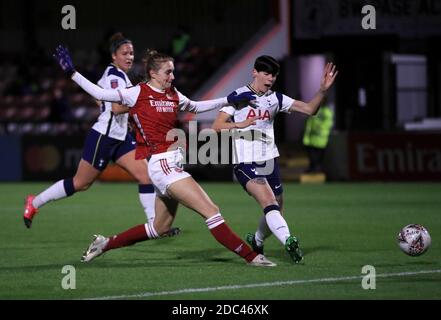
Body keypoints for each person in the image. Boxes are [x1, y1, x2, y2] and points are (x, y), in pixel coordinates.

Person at [53, 45, 276, 267]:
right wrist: (72, 73)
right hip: (163, 166)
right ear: (153, 73)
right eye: (168, 72)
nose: (173, 76)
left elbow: (196, 107)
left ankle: (104, 244)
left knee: (159, 228)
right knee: (212, 211)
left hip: (168, 167)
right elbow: (100, 94)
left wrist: (229, 99)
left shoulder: (173, 93)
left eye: (173, 71)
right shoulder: (136, 92)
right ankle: (252, 256)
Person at [23, 33, 178, 237]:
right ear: (114, 56)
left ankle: (154, 226)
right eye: (124, 53)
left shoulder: (117, 75)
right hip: (104, 137)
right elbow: (115, 107)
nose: (130, 57)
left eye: (131, 53)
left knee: (146, 175)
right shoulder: (115, 75)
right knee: (81, 184)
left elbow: (100, 97)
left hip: (121, 138)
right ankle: (34, 202)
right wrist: (141, 107)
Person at [212, 55, 338, 263]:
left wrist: (323, 90)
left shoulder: (276, 98)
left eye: (274, 75)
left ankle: (258, 239)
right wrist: (238, 125)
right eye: (266, 73)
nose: (270, 79)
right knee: (269, 202)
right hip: (245, 162)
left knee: (276, 208)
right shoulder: (238, 96)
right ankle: (289, 241)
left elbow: (309, 110)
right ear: (255, 72)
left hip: (270, 161)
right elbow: (217, 127)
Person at [302, 97, 334, 173]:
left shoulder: (327, 112)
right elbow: (309, 122)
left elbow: (328, 124)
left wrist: (319, 128)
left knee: (318, 157)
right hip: (311, 138)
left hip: (321, 139)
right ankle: (313, 168)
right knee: (312, 156)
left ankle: (316, 169)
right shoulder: (315, 110)